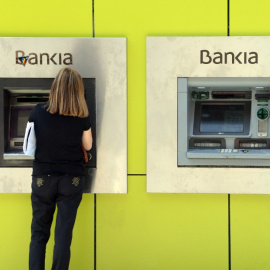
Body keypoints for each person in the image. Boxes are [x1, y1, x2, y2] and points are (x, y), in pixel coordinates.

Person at [28, 67, 93, 270]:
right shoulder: (81, 115)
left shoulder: (38, 111)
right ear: (77, 91)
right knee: (63, 235)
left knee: (39, 233)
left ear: (55, 87)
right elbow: (88, 146)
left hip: (42, 179)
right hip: (71, 179)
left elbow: (30, 143)